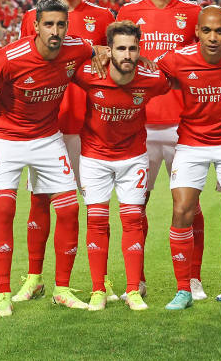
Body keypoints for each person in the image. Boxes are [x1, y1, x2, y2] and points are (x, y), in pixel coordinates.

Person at [0, 0, 96, 317]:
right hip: (6, 139)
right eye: (48, 24)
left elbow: (96, 50)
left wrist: (106, 52)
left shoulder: (76, 48)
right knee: (4, 207)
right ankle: (2, 294)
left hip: (47, 139)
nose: (55, 31)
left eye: (60, 24)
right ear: (36, 26)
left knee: (69, 209)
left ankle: (63, 289)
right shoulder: (9, 58)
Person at [14, 0, 116, 304]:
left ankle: (100, 280)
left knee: (95, 204)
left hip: (92, 126)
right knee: (40, 200)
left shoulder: (103, 17)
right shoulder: (31, 17)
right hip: (48, 128)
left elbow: (112, 67)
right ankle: (34, 277)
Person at [156, 6, 221, 311]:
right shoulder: (178, 59)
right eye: (207, 31)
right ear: (197, 32)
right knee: (182, 210)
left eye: (219, 31)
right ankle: (183, 290)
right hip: (191, 143)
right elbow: (151, 71)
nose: (213, 37)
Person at [116, 0, 204, 300]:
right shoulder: (128, 13)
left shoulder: (192, 12)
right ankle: (137, 281)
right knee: (137, 203)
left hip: (183, 124)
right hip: (140, 123)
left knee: (190, 204)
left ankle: (193, 279)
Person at [71, 21, 171, 311]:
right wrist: (91, 53)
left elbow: (174, 79)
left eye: (132, 49)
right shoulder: (90, 73)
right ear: (109, 51)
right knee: (97, 221)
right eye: (120, 49)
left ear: (139, 51)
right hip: (94, 158)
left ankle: (132, 291)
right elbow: (63, 63)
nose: (127, 55)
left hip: (132, 158)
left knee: (132, 221)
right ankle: (98, 290)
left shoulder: (151, 79)